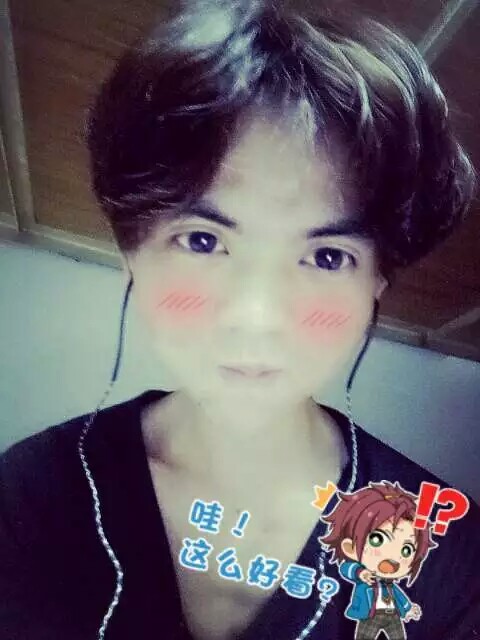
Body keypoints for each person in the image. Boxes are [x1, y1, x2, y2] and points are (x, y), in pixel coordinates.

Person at [1, 0, 478, 639]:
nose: (257, 319)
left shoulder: (447, 556)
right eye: (203, 241)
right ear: (131, 252)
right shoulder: (34, 497)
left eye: (327, 256)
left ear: (376, 282)